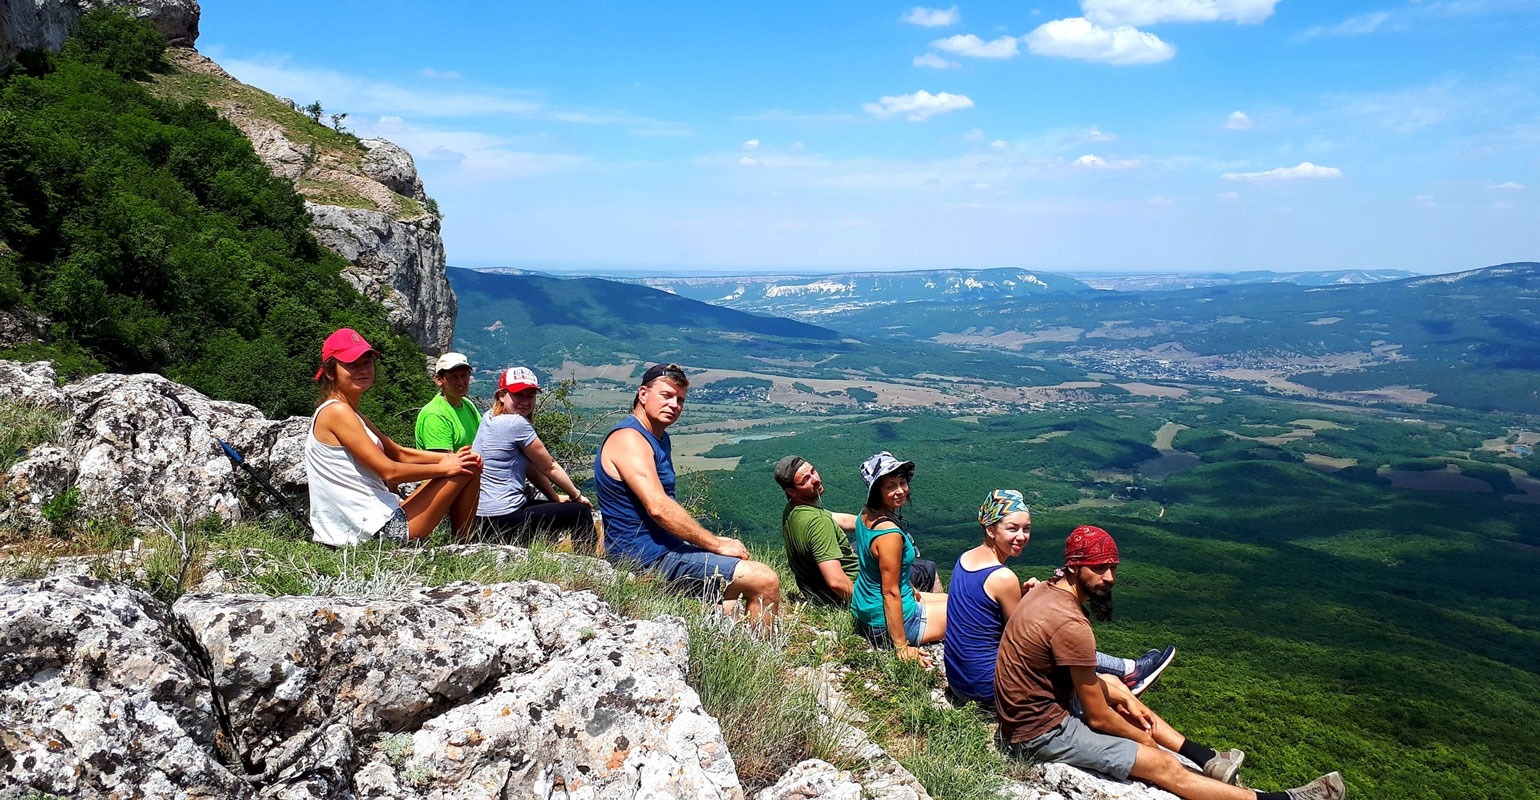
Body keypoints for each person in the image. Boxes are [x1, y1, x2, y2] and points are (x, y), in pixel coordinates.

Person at [994, 525, 1347, 800]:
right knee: (1163, 765)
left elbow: (1080, 684)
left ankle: (1204, 758)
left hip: (1028, 711)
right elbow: (1099, 716)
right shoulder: (1072, 624)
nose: (1110, 577)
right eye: (1099, 568)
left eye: (1113, 567)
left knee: (1118, 688)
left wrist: (1124, 698)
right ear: (1075, 567)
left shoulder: (1044, 590)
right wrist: (1145, 743)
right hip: (1038, 733)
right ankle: (1280, 798)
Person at [945, 489, 1176, 710]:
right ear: (991, 529)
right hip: (987, 688)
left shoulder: (966, 559)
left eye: (1026, 529)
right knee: (1060, 641)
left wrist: (1024, 596)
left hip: (960, 681)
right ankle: (1127, 672)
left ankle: (1126, 670)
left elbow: (987, 618)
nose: (1021, 536)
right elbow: (1024, 640)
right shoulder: (1002, 577)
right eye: (1012, 528)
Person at [593, 363, 782, 626]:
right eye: (666, 395)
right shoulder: (630, 439)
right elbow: (658, 507)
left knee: (730, 605)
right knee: (764, 580)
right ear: (643, 394)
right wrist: (714, 543)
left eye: (680, 399)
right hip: (644, 558)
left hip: (660, 549)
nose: (674, 405)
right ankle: (766, 660)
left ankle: (734, 657)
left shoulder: (658, 437)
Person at [304, 328, 482, 546]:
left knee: (466, 462)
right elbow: (390, 471)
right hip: (375, 531)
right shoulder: (336, 412)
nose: (363, 370)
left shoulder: (349, 411)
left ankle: (463, 544)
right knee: (468, 468)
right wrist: (446, 468)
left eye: (367, 363)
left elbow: (397, 452)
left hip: (373, 521)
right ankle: (463, 546)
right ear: (331, 372)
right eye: (352, 364)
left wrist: (450, 458)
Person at [774, 454, 940, 605]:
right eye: (805, 480)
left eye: (813, 471)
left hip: (816, 591)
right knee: (927, 569)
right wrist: (867, 607)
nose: (815, 479)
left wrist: (881, 527)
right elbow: (836, 582)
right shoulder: (818, 522)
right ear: (791, 491)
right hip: (848, 593)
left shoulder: (794, 510)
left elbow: (842, 520)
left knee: (864, 546)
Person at [472, 366, 594, 547]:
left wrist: (553, 497)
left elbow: (531, 469)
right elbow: (549, 466)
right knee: (580, 513)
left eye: (530, 396)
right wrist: (576, 496)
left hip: (482, 517)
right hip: (503, 518)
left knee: (543, 507)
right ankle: (589, 568)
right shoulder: (516, 423)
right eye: (518, 395)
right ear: (501, 395)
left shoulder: (489, 417)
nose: (525, 401)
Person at [851, 451, 948, 664]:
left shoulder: (866, 514)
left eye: (902, 482)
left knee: (956, 600)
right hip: (889, 622)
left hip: (867, 611)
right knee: (971, 613)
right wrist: (902, 647)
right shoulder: (889, 535)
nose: (900, 491)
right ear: (877, 491)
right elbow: (890, 592)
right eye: (890, 486)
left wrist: (911, 588)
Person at [415, 352, 480, 452]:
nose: (461, 382)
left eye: (464, 375)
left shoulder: (467, 404)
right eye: (453, 377)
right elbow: (444, 463)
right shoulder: (435, 416)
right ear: (439, 380)